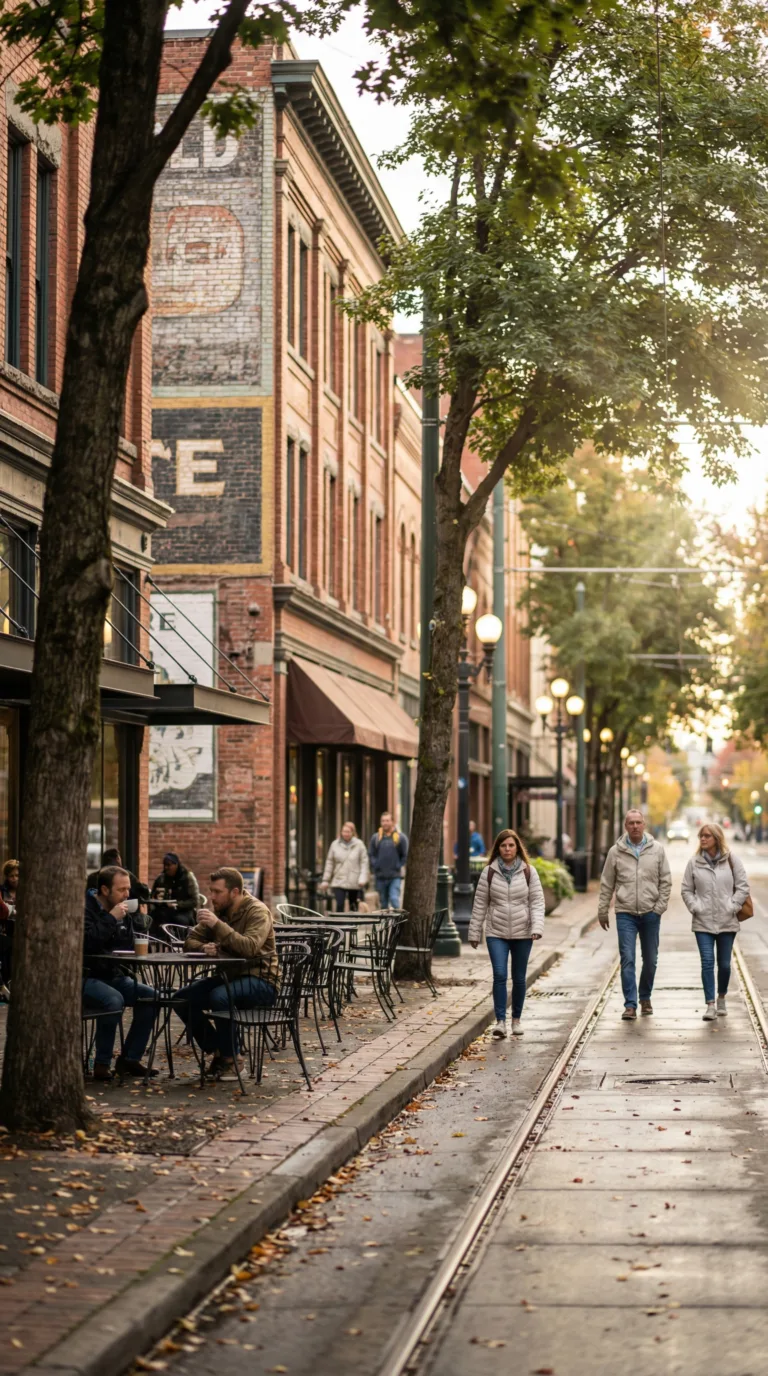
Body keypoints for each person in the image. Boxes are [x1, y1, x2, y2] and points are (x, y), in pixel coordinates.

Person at [173, 867, 280, 1079]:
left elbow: (250, 947)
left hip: (262, 981)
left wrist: (217, 925)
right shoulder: (220, 912)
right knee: (181, 999)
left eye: (217, 892)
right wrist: (204, 948)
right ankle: (220, 1050)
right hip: (229, 979)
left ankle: (232, 1060)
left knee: (220, 996)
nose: (212, 897)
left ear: (235, 892)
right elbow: (189, 942)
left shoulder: (257, 911)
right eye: (211, 891)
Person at [82, 866, 159, 1081]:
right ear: (105, 890)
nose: (127, 894)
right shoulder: (84, 908)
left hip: (112, 974)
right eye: (122, 889)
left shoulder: (121, 910)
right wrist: (111, 918)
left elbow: (122, 945)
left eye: (129, 889)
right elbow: (87, 943)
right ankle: (101, 1064)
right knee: (113, 1000)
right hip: (85, 975)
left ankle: (129, 1059)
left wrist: (131, 922)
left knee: (151, 997)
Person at [468, 828, 545, 1039]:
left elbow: (537, 902)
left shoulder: (529, 871)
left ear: (517, 847)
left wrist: (537, 927)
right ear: (498, 848)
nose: (507, 849)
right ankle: (500, 1021)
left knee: (519, 978)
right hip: (496, 932)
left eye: (511, 845)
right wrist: (475, 931)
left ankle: (516, 1020)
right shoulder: (489, 872)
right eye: (503, 845)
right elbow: (480, 903)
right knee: (500, 974)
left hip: (523, 932)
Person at [598, 808, 672, 1022]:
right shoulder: (616, 851)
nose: (635, 826)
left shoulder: (657, 850)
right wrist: (603, 910)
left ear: (644, 825)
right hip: (625, 913)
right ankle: (630, 1005)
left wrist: (659, 907)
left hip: (650, 913)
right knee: (627, 959)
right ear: (625, 826)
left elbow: (665, 880)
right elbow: (606, 883)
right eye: (631, 823)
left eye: (639, 822)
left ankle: (645, 997)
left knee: (651, 960)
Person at [682, 822, 749, 1021]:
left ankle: (721, 998)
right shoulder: (694, 863)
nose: (703, 839)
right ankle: (710, 1004)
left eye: (707, 836)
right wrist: (696, 907)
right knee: (707, 962)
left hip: (727, 921)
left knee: (725, 965)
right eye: (701, 836)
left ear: (717, 839)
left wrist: (732, 906)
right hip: (703, 922)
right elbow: (686, 889)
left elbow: (743, 887)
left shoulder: (732, 861)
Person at [319, 822, 369, 912]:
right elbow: (329, 863)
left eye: (348, 832)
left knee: (353, 906)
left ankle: (352, 925)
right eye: (344, 831)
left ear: (352, 832)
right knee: (339, 904)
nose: (346, 834)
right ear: (341, 832)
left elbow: (364, 863)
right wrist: (325, 880)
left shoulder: (359, 845)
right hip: (339, 880)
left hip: (354, 881)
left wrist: (362, 878)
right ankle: (340, 925)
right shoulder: (335, 844)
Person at [149, 852, 200, 934]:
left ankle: (178, 942)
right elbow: (153, 897)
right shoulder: (161, 878)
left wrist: (177, 905)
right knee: (155, 916)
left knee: (180, 920)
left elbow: (194, 901)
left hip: (183, 911)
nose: (166, 868)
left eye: (169, 865)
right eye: (165, 865)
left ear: (176, 865)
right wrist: (158, 899)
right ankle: (158, 942)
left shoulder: (187, 877)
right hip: (165, 910)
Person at [369, 812, 408, 909]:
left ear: (392, 822)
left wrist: (397, 866)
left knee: (394, 900)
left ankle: (398, 923)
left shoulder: (400, 837)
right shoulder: (376, 838)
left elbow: (405, 855)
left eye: (387, 821)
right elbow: (371, 854)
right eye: (383, 821)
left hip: (395, 876)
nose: (385, 823)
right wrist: (376, 865)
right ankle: (385, 924)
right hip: (380, 876)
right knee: (383, 904)